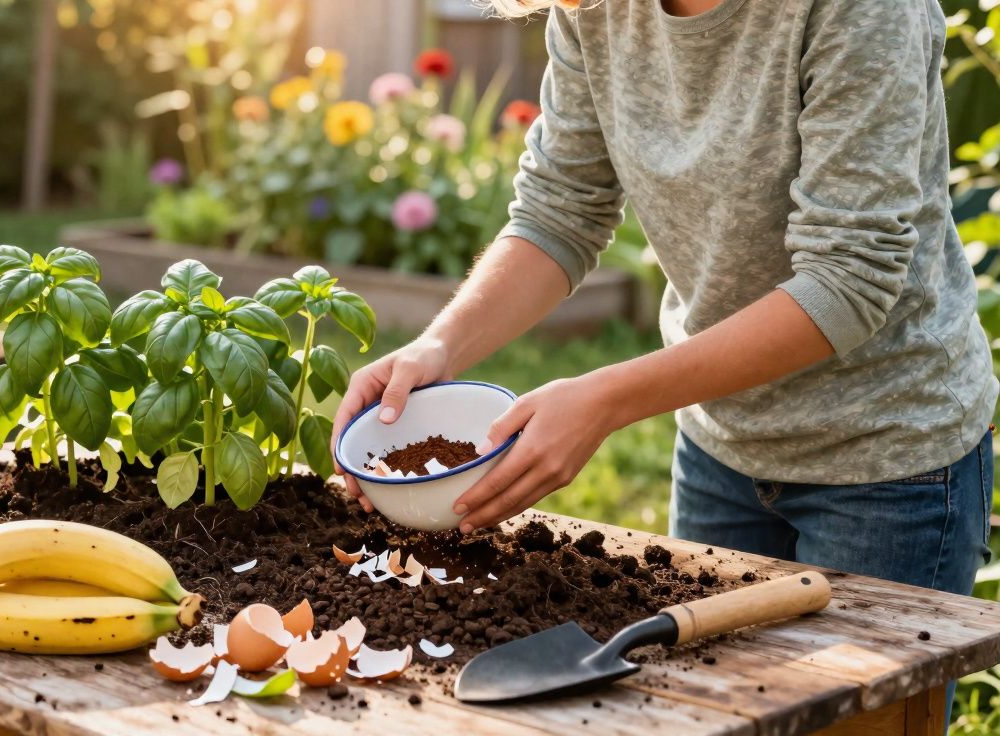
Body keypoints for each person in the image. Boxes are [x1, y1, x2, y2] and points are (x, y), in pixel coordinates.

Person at [332, 0, 997, 607]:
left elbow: (848, 280)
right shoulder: (588, 5)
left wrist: (606, 401)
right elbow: (560, 211)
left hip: (886, 461)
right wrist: (440, 345)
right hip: (720, 446)